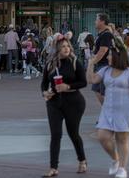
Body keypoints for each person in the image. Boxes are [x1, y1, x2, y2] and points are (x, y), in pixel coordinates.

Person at [87, 42, 129, 178]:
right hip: (108, 110)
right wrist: (91, 63)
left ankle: (122, 169)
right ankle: (115, 159)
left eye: (110, 55)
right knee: (102, 137)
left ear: (118, 56)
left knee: (122, 139)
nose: (108, 58)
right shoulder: (105, 70)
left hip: (125, 110)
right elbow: (91, 80)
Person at [40, 38, 88, 177]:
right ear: (57, 49)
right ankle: (53, 167)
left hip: (74, 102)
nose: (66, 48)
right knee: (56, 134)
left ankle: (82, 160)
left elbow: (83, 82)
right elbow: (44, 83)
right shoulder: (50, 64)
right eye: (63, 47)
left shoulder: (74, 62)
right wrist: (45, 92)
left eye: (68, 46)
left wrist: (68, 86)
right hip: (54, 102)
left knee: (73, 133)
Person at [92, 13, 116, 105]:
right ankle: (107, 113)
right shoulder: (102, 34)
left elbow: (103, 51)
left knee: (103, 91)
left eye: (97, 20)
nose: (95, 22)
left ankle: (109, 113)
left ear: (102, 21)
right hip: (101, 66)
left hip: (104, 65)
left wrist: (92, 63)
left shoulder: (106, 35)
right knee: (97, 89)